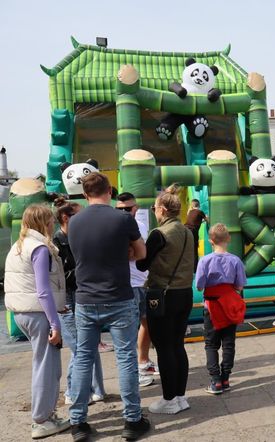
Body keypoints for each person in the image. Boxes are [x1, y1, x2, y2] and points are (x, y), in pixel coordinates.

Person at [67, 172, 150, 441]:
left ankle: (78, 422)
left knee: (83, 358)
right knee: (126, 357)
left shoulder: (74, 222)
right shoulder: (123, 219)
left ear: (85, 193)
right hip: (119, 296)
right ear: (109, 191)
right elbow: (141, 254)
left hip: (85, 300)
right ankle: (132, 420)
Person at [4, 204, 71, 439]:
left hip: (22, 313)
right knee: (46, 366)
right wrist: (55, 323)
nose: (53, 223)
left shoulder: (18, 246)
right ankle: (41, 419)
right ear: (44, 223)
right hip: (39, 314)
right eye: (50, 220)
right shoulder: (40, 248)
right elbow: (43, 291)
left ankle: (46, 415)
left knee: (44, 364)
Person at [136, 184, 195, 414]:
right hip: (184, 292)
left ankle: (169, 399)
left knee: (163, 347)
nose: (154, 211)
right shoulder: (188, 232)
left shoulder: (159, 234)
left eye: (154, 208)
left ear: (161, 209)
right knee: (178, 344)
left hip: (162, 294)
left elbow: (142, 263)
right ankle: (180, 396)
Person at [53, 198, 106, 406]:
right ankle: (73, 390)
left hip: (82, 295)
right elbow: (61, 278)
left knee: (87, 345)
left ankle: (94, 389)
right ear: (66, 218)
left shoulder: (77, 238)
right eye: (79, 215)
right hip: (67, 299)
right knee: (81, 347)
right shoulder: (57, 244)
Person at [195, 223, 247, 394]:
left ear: (210, 240)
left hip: (211, 305)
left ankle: (215, 380)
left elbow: (199, 286)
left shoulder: (205, 260)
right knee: (228, 343)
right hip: (230, 304)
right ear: (229, 239)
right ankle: (225, 377)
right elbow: (239, 286)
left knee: (211, 344)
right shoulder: (236, 260)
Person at [116, 192, 158, 388]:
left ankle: (143, 362)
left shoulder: (140, 225)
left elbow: (140, 253)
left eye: (127, 209)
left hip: (143, 281)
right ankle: (135, 371)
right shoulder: (116, 225)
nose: (124, 212)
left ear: (135, 208)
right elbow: (133, 254)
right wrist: (137, 251)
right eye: (120, 209)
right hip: (128, 283)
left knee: (147, 322)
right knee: (130, 329)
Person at [185, 199, 208, 268]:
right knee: (194, 249)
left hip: (185, 229)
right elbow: (207, 220)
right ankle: (195, 268)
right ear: (199, 205)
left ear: (192, 206)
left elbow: (194, 221)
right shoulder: (200, 212)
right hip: (192, 231)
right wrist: (206, 218)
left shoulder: (190, 212)